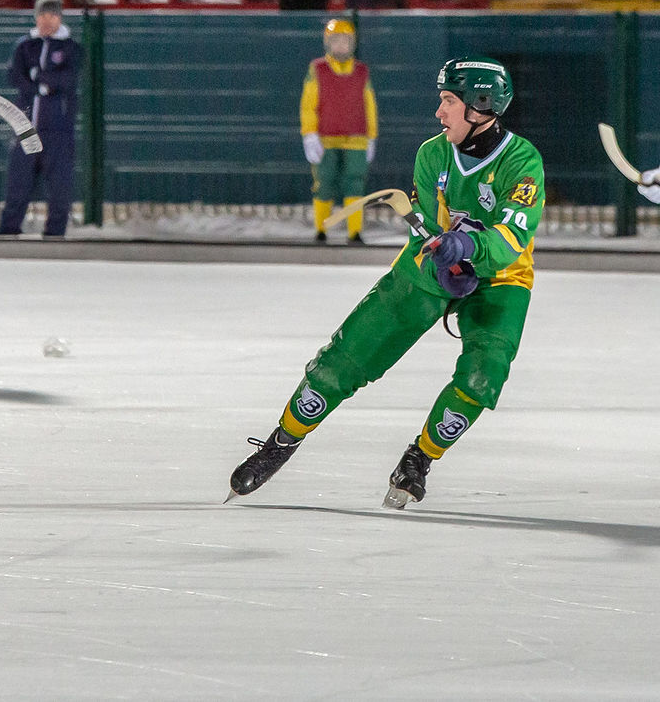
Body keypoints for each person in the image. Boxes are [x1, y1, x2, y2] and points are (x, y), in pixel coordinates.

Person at [230, 57, 543, 508]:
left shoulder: (522, 161)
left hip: (501, 277)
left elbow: (513, 236)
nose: (439, 112)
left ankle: (419, 458)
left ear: (481, 105)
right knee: (345, 358)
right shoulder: (432, 154)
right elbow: (427, 232)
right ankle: (282, 440)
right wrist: (443, 260)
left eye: (448, 101)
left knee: (484, 374)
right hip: (430, 269)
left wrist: (467, 249)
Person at [0, 0, 82, 238]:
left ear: (60, 18)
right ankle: (8, 233)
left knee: (59, 188)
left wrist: (39, 76)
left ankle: (55, 235)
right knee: (18, 185)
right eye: (42, 15)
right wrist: (41, 85)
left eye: (52, 15)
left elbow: (66, 80)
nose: (47, 20)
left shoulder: (71, 48)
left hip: (58, 131)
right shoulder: (25, 46)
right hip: (26, 129)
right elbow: (16, 76)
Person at [301, 18, 379, 245]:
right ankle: (321, 229)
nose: (341, 45)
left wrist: (372, 136)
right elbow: (308, 104)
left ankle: (354, 232)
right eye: (336, 41)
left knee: (355, 184)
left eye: (345, 41)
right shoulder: (317, 69)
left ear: (352, 43)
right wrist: (309, 134)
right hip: (325, 138)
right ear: (327, 43)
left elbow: (370, 105)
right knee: (324, 182)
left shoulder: (362, 71)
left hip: (357, 139)